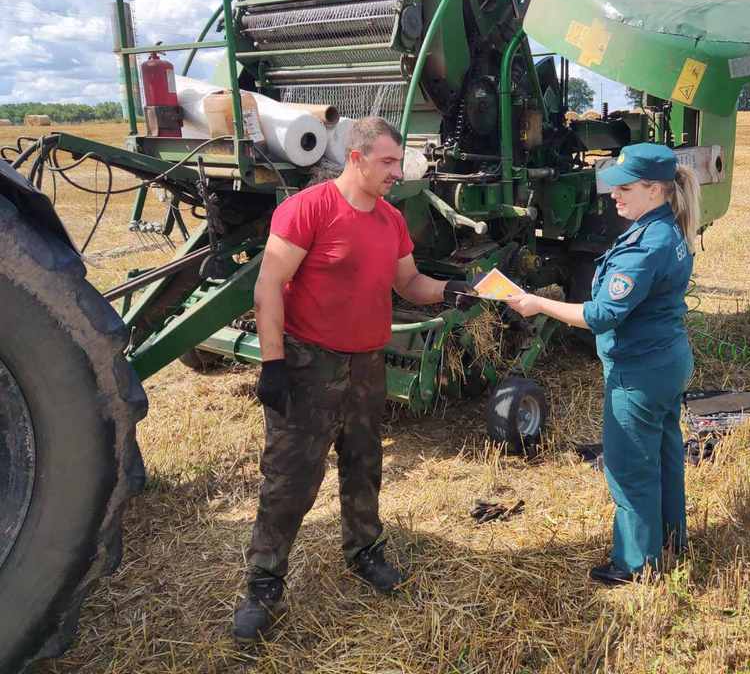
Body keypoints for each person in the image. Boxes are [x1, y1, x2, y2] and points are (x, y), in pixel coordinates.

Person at [233, 117, 477, 642]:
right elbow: (268, 285)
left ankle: (364, 552)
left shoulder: (390, 221)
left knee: (364, 464)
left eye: (399, 162)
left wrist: (450, 290)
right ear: (356, 157)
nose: (397, 172)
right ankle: (263, 584)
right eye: (387, 162)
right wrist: (273, 364)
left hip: (368, 363)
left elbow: (408, 282)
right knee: (290, 479)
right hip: (308, 363)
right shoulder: (307, 210)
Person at [506, 142, 700, 585]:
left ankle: (635, 563)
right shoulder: (667, 227)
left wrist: (539, 303)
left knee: (630, 466)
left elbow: (599, 315)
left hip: (639, 372)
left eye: (624, 188)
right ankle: (670, 539)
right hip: (667, 359)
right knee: (666, 454)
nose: (613, 196)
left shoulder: (645, 247)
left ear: (655, 190)